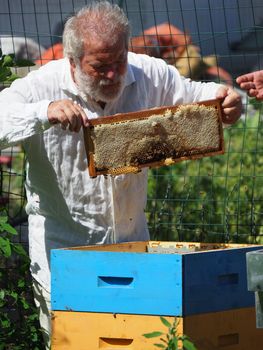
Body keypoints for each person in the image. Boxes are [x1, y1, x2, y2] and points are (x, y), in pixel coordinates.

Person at [0, 1, 242, 348]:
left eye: (119, 62)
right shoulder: (41, 85)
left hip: (131, 245)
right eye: (100, 67)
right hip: (63, 253)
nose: (113, 74)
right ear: (72, 59)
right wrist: (44, 111)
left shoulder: (150, 72)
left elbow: (197, 95)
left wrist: (224, 99)